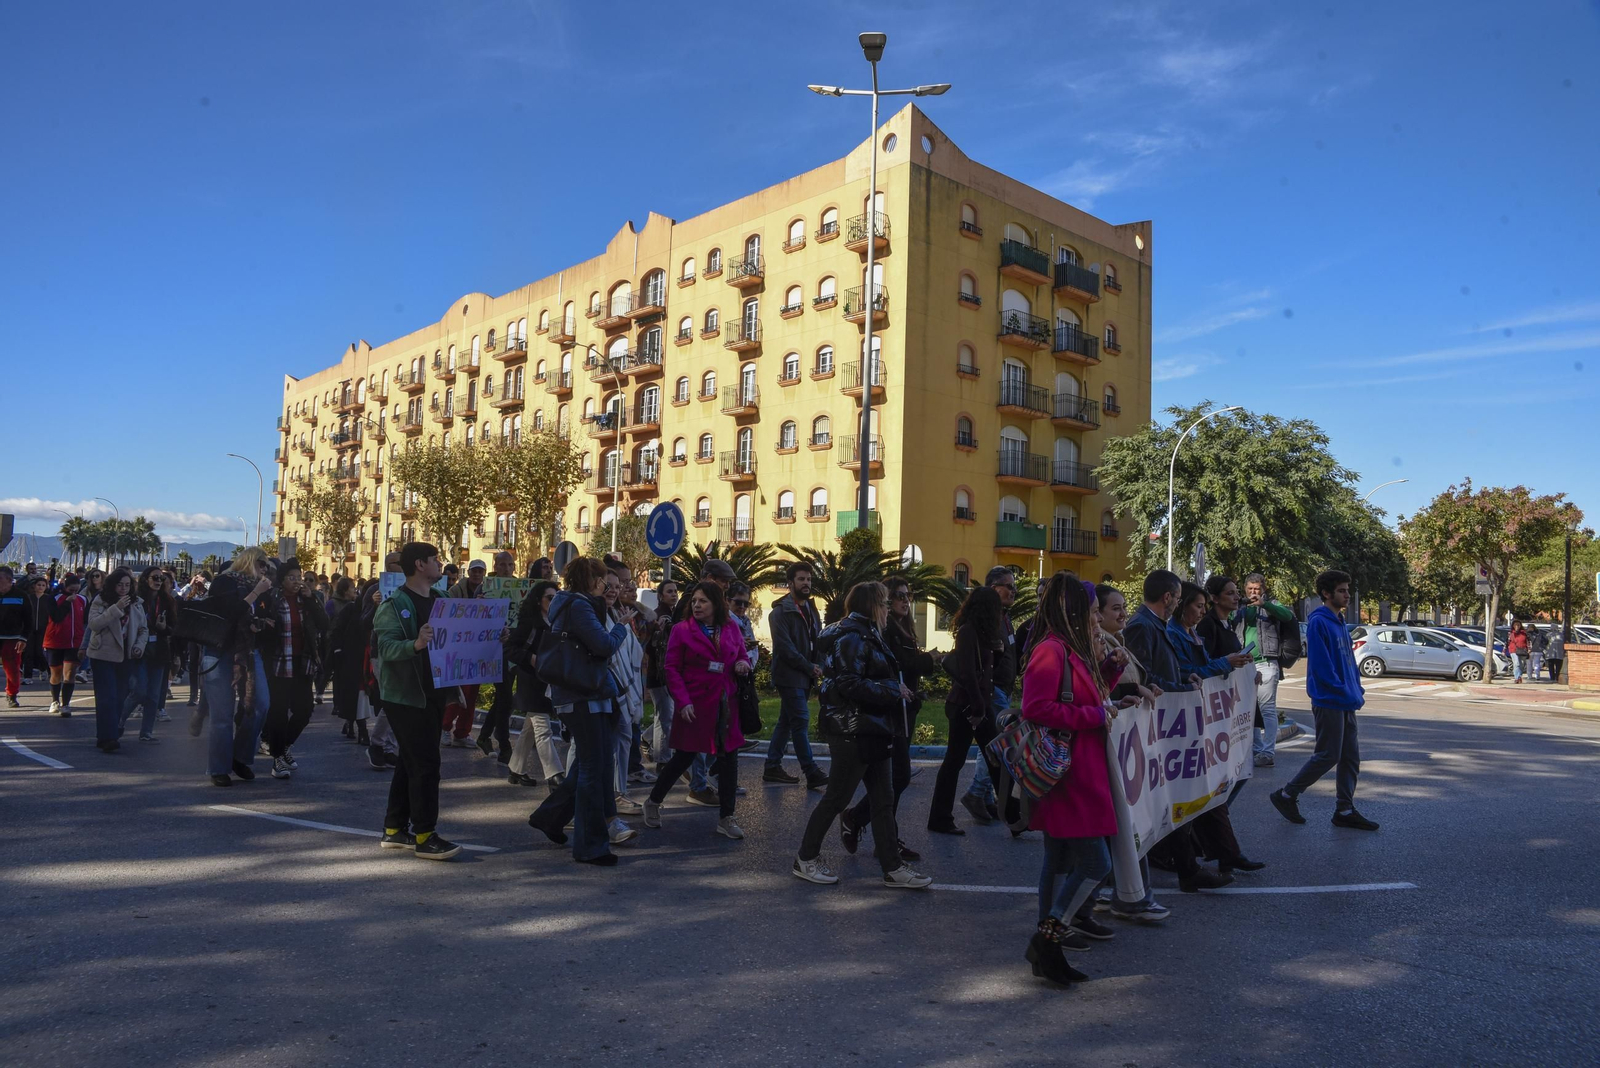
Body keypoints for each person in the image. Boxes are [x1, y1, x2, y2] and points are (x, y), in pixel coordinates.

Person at [1022, 573, 1136, 986]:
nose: (1094, 618)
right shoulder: (1051, 651)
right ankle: (1047, 938)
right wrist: (1095, 715)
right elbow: (1036, 707)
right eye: (1090, 610)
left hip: (1079, 771)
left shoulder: (1069, 649)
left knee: (1060, 860)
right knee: (1095, 864)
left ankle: (1048, 943)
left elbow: (1080, 698)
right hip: (1071, 776)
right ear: (1073, 611)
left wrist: (1108, 673)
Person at [793, 581, 931, 888]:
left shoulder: (866, 633)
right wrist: (892, 689)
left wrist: (893, 689)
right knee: (837, 798)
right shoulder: (853, 636)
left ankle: (892, 868)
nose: (887, 609)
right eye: (884, 603)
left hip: (872, 728)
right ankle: (805, 858)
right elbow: (848, 684)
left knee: (883, 800)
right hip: (851, 730)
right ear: (872, 606)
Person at [527, 557, 638, 865]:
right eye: (603, 580)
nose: (606, 586)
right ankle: (590, 845)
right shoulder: (578, 605)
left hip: (586, 694)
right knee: (592, 769)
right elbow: (603, 645)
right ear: (592, 580)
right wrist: (621, 627)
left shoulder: (572, 603)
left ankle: (550, 817)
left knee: (594, 765)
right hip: (584, 696)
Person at [371, 542, 463, 859]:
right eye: (436, 560)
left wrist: (492, 636)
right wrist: (417, 643)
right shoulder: (393, 605)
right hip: (405, 696)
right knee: (426, 764)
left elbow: (459, 636)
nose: (441, 564)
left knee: (411, 761)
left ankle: (395, 829)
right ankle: (425, 835)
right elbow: (387, 650)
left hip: (434, 692)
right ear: (421, 565)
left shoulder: (442, 599)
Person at [840, 575, 937, 864]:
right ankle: (862, 823)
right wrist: (930, 660)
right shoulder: (884, 632)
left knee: (892, 779)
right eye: (898, 596)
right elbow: (897, 666)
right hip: (890, 712)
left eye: (908, 595)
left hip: (904, 709)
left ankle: (883, 837)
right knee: (895, 777)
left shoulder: (903, 627)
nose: (904, 601)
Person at [1271, 569, 1378, 830]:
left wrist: (1356, 689)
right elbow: (1321, 667)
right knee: (1328, 755)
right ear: (1327, 594)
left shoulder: (1339, 621)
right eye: (1342, 591)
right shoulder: (1320, 621)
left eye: (1347, 590)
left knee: (1350, 757)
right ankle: (1287, 794)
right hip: (1329, 699)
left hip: (1346, 700)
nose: (1347, 595)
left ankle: (1344, 809)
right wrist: (1343, 690)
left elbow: (1348, 661)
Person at [643, 580, 749, 840]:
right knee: (683, 758)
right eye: (695, 601)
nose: (697, 605)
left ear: (716, 604)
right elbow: (671, 669)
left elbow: (742, 654)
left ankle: (727, 816)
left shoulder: (730, 627)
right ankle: (653, 801)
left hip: (726, 703)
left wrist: (743, 664)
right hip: (695, 703)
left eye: (703, 601)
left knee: (729, 758)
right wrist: (683, 701)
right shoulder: (681, 630)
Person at [1091, 583, 1168, 923]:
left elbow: (1109, 689)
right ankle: (1126, 896)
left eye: (1124, 607)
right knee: (1123, 823)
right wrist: (1130, 690)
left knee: (1126, 822)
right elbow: (1094, 691)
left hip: (1122, 746)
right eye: (1112, 609)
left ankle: (1122, 894)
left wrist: (1142, 687)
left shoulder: (1117, 643)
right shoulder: (1095, 646)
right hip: (1108, 746)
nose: (1122, 614)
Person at [928, 583, 1016, 835]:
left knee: (994, 758)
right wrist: (979, 706)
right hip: (967, 706)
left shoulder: (982, 634)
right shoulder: (968, 633)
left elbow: (985, 670)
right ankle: (940, 818)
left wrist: (996, 654)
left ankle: (1012, 815)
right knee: (956, 761)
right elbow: (967, 673)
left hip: (977, 705)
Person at [198, 548, 275, 786]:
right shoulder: (224, 581)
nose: (265, 570)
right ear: (250, 561)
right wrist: (255, 593)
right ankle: (218, 769)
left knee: (260, 705)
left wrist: (260, 623)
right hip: (219, 651)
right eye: (262, 564)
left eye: (268, 567)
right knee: (222, 715)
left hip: (248, 652)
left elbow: (255, 616)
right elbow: (230, 613)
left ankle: (240, 757)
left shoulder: (261, 588)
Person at [959, 567, 1022, 824]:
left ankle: (983, 795)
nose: (1014, 592)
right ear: (995, 587)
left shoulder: (1003, 616)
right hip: (993, 689)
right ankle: (976, 793)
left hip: (1001, 689)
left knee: (989, 746)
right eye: (1009, 586)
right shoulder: (988, 618)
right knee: (996, 746)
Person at [256, 558, 328, 778]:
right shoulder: (273, 598)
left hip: (302, 662)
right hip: (278, 662)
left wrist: (311, 601)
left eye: (299, 577)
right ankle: (278, 759)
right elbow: (263, 625)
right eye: (292, 577)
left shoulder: (308, 599)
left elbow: (325, 624)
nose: (297, 581)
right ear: (282, 580)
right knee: (278, 713)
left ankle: (285, 746)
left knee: (304, 710)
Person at [763, 561, 828, 791]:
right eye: (801, 579)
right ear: (790, 583)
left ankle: (772, 766)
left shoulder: (812, 609)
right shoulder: (779, 613)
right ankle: (811, 771)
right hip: (789, 675)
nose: (806, 583)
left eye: (809, 579)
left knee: (786, 721)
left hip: (806, 674)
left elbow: (818, 640)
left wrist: (818, 663)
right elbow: (784, 648)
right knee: (800, 720)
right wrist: (809, 667)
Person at [1234, 573, 1298, 766]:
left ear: (1263, 590)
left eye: (1257, 589)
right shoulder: (1240, 607)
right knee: (1249, 709)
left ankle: (1268, 752)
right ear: (1245, 589)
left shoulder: (1272, 604)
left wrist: (1264, 605)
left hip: (1267, 662)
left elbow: (1287, 616)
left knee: (1267, 709)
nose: (1253, 593)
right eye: (1250, 589)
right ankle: (1256, 749)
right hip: (1244, 664)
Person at [602, 569, 647, 837]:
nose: (614, 590)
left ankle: (618, 794)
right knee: (584, 749)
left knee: (624, 736)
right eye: (608, 585)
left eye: (618, 586)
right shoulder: (591, 612)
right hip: (595, 691)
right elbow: (605, 645)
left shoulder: (615, 613)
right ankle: (570, 806)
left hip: (617, 687)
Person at [506, 580, 562, 787]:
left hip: (548, 681)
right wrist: (531, 658)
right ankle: (554, 773)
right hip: (530, 681)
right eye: (549, 597)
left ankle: (516, 768)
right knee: (543, 728)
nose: (553, 601)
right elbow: (510, 648)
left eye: (557, 597)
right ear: (539, 601)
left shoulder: (557, 621)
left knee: (530, 727)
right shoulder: (530, 622)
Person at [85, 568, 148, 752]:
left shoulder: (137, 603)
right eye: (120, 585)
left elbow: (144, 629)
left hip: (126, 655)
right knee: (107, 697)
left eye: (127, 585)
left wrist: (139, 645)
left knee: (120, 697)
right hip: (103, 655)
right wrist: (116, 608)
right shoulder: (101, 600)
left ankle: (107, 733)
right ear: (112, 585)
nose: (123, 589)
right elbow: (94, 624)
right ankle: (109, 737)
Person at [474, 550, 520, 762]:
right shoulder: (485, 588)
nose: (507, 569)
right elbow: (474, 616)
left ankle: (484, 736)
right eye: (503, 565)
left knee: (504, 699)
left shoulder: (520, 587)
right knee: (506, 697)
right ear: (495, 566)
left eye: (510, 565)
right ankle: (505, 745)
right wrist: (480, 604)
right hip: (494, 649)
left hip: (515, 647)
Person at [122, 567, 177, 741]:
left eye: (161, 578)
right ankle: (119, 722)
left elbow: (174, 628)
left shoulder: (167, 601)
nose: (159, 581)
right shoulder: (136, 601)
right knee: (139, 691)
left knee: (154, 695)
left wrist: (164, 628)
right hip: (139, 650)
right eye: (155, 577)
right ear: (146, 579)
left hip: (159, 650)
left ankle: (146, 732)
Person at [438, 559, 488, 746]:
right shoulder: (454, 591)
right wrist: (473, 606)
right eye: (474, 571)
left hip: (477, 647)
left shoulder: (488, 592)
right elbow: (449, 614)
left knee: (472, 692)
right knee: (458, 691)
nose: (476, 575)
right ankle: (444, 727)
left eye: (480, 572)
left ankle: (462, 732)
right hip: (457, 648)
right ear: (469, 573)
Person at [325, 578, 367, 743]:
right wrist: (337, 650)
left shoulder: (363, 609)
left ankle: (350, 722)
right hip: (348, 656)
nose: (355, 591)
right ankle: (361, 728)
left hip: (362, 656)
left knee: (357, 693)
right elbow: (335, 630)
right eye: (352, 589)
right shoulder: (349, 608)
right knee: (356, 693)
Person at [644, 578, 680, 770]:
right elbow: (651, 647)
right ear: (660, 596)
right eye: (669, 591)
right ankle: (662, 759)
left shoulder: (673, 614)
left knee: (667, 714)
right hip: (658, 674)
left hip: (668, 673)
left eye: (675, 591)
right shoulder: (658, 616)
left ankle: (647, 738)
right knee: (665, 717)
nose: (674, 594)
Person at [43, 573, 88, 715]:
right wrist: (67, 602)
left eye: (76, 590)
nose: (74, 593)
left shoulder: (83, 600)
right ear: (65, 587)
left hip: (74, 642)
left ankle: (66, 704)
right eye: (71, 590)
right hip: (55, 642)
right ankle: (55, 700)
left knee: (70, 673)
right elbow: (56, 617)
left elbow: (87, 620)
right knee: (56, 674)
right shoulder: (54, 598)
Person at [0, 567, 27, 707]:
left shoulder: (21, 595)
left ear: (9, 580)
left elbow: (28, 619)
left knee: (12, 668)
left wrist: (23, 638)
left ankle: (12, 694)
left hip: (13, 637)